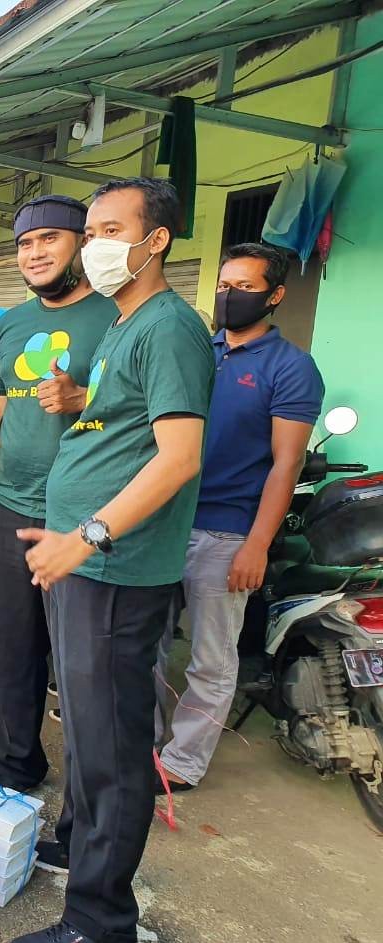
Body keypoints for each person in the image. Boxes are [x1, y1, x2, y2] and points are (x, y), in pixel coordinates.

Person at [10, 178, 214, 943]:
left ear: (154, 239)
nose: (92, 244)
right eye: (89, 229)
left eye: (108, 229)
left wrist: (85, 535)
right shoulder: (130, 324)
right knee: (91, 741)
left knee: (113, 750)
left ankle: (101, 929)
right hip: (87, 566)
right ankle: (84, 867)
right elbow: (123, 422)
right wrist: (74, 400)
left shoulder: (169, 326)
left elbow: (178, 457)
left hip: (117, 569)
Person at [154, 243, 324, 793]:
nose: (229, 296)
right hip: (164, 521)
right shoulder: (199, 352)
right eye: (224, 285)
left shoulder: (290, 367)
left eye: (245, 287)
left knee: (210, 657)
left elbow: (286, 464)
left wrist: (257, 545)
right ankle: (145, 744)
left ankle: (182, 763)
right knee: (146, 646)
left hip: (226, 532)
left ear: (274, 296)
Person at [0, 195, 116, 793]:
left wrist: (85, 400)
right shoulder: (8, 325)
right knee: (13, 650)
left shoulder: (117, 317)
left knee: (84, 664)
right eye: (25, 244)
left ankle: (92, 793)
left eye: (49, 240)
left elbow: (149, 415)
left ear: (82, 245)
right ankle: (17, 766)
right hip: (12, 505)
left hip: (82, 514)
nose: (34, 253)